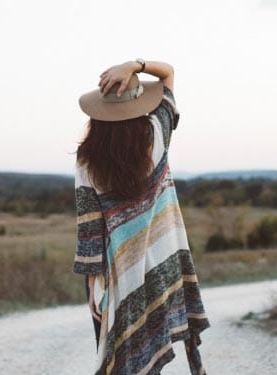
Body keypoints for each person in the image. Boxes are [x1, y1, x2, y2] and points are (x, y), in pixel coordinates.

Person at [73, 59, 210, 375]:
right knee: (149, 344)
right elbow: (169, 73)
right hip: (163, 260)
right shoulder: (156, 132)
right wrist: (135, 64)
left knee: (118, 354)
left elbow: (90, 228)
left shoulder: (86, 157)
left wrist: (95, 284)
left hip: (114, 271)